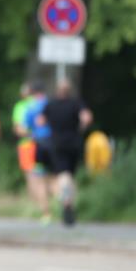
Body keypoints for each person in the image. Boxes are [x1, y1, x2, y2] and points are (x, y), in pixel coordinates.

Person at [39, 79, 92, 226]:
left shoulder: (50, 105)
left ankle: (66, 202)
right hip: (74, 142)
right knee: (71, 174)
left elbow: (40, 121)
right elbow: (86, 118)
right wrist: (80, 128)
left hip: (56, 143)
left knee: (63, 174)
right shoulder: (76, 103)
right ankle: (71, 204)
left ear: (57, 91)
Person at [23, 82, 54, 224]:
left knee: (40, 179)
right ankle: (63, 199)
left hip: (40, 144)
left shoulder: (30, 107)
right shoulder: (51, 104)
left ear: (33, 93)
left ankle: (46, 214)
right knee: (56, 175)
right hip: (54, 143)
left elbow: (26, 127)